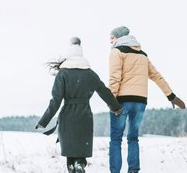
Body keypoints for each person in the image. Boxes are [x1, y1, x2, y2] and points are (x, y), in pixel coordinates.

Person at [36, 37, 122, 173]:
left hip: (67, 117)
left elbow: (56, 100)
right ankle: (80, 165)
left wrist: (44, 121)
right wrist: (116, 108)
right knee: (81, 150)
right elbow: (104, 92)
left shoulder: (62, 74)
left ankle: (72, 167)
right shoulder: (90, 74)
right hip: (84, 116)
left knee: (70, 152)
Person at [108, 26, 186, 173]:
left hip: (121, 101)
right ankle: (134, 170)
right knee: (133, 138)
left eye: (112, 37)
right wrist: (171, 96)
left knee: (116, 139)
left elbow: (114, 78)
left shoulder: (116, 51)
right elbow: (156, 76)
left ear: (118, 37)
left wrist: (112, 101)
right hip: (140, 101)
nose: (110, 41)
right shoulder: (142, 55)